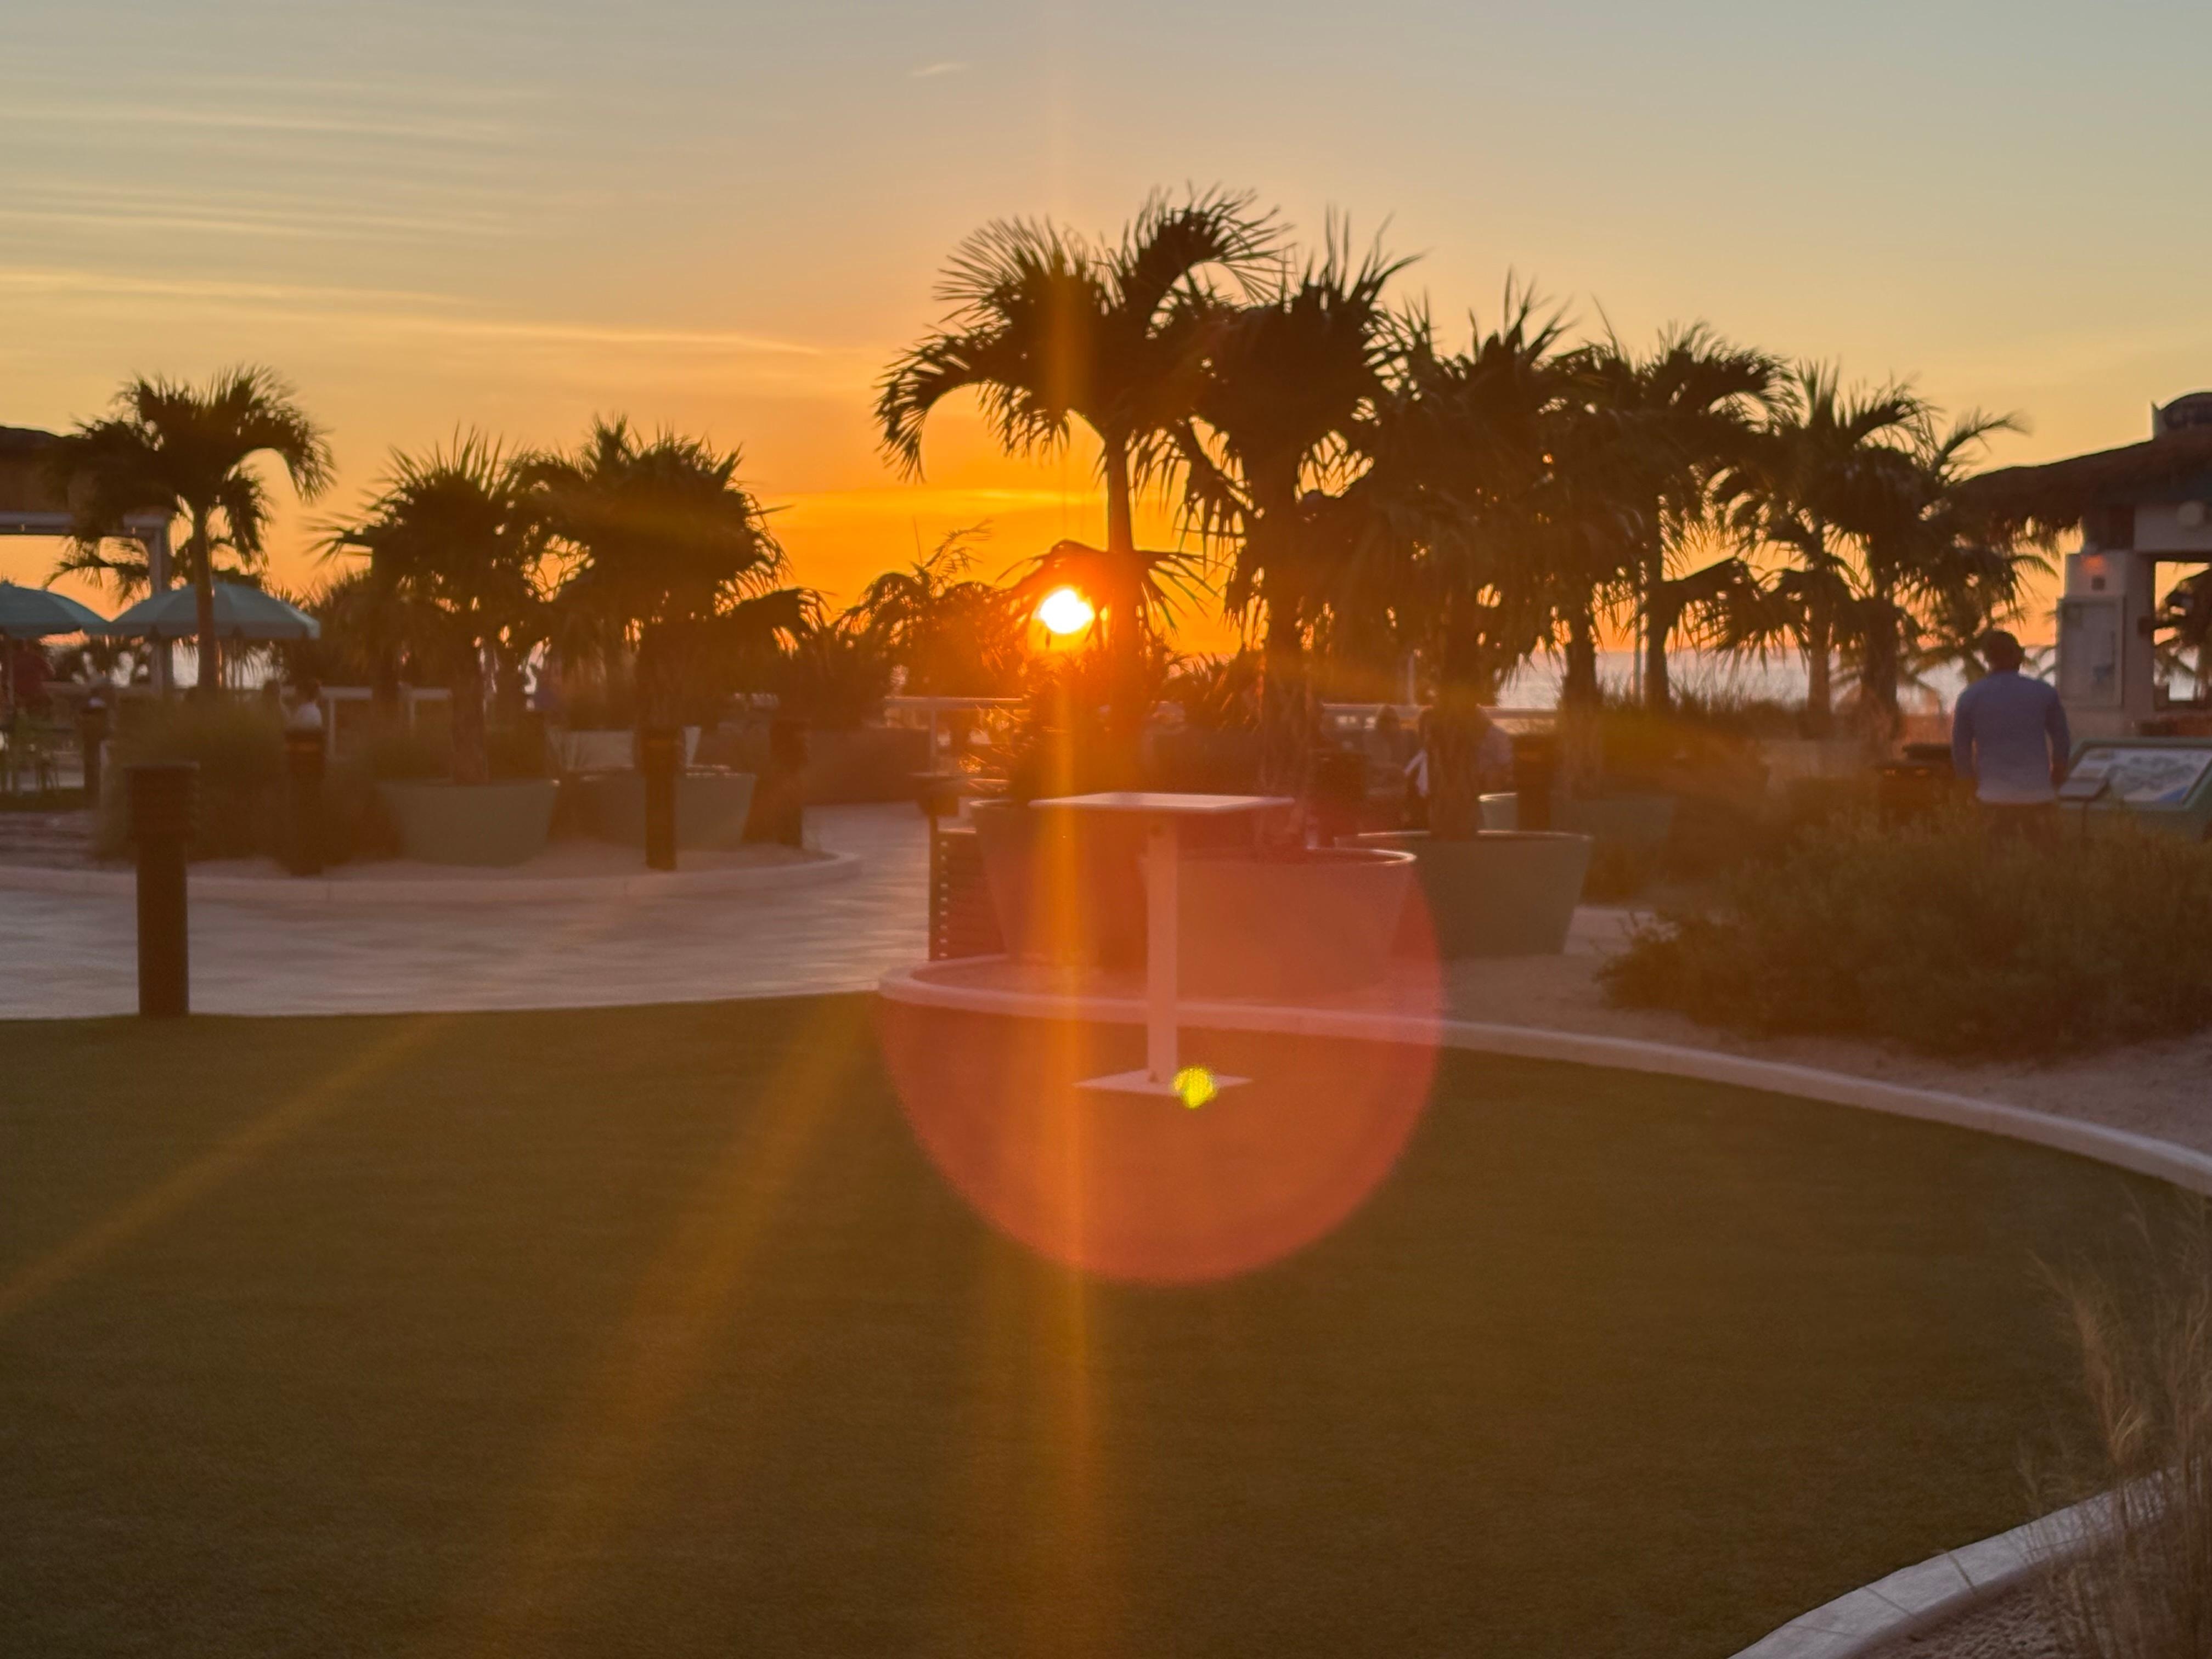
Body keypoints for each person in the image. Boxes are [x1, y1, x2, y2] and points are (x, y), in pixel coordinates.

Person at [1950, 631, 2070, 842]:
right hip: (2038, 795)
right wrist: (2056, 777)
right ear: (2019, 655)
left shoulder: (1971, 697)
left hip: (1991, 797)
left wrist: (1968, 788)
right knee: (2043, 863)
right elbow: (2062, 741)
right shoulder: (2043, 693)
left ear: (1987, 658)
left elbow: (1961, 750)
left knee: (1995, 864)